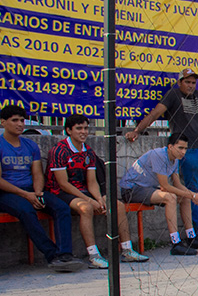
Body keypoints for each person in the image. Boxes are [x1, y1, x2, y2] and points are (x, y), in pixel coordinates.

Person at [124, 69, 198, 247]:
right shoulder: (173, 95)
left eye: (193, 83)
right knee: (193, 190)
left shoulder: (197, 96)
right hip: (187, 151)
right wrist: (137, 131)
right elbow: (155, 113)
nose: (191, 86)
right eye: (187, 82)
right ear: (180, 82)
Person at [45, 114, 149, 268]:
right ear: (69, 130)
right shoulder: (59, 151)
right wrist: (89, 200)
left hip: (82, 190)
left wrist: (99, 199)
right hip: (60, 192)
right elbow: (63, 184)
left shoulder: (88, 151)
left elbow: (92, 181)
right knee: (86, 208)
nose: (83, 132)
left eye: (86, 128)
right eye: (79, 128)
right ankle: (93, 255)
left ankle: (127, 250)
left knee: (117, 205)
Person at [0, 104, 83, 272]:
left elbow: (37, 173)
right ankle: (52, 255)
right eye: (15, 120)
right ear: (3, 122)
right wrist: (26, 195)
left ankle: (65, 255)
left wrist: (37, 192)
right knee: (26, 210)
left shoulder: (30, 145)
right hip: (7, 193)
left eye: (22, 120)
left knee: (61, 207)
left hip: (31, 190)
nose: (20, 124)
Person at [118, 133, 198, 256]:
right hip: (131, 189)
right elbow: (165, 186)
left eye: (185, 148)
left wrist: (193, 195)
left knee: (184, 197)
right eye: (180, 148)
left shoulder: (175, 159)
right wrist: (193, 196)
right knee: (170, 197)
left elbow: (178, 184)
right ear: (170, 147)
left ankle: (191, 237)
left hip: (148, 188)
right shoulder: (159, 155)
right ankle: (176, 243)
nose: (183, 152)